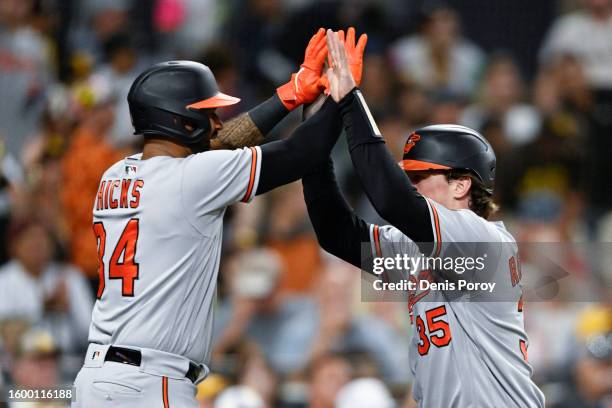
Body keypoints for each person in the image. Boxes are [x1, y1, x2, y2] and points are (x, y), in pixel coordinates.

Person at [72, 28, 366, 407]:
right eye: (207, 113)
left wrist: (289, 94)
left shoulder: (115, 175)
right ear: (179, 120)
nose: (215, 123)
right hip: (149, 383)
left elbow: (220, 144)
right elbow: (301, 153)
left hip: (98, 376)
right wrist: (343, 94)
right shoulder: (191, 179)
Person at [302, 29, 545, 407]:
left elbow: (390, 197)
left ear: (462, 184)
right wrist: (313, 143)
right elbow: (337, 234)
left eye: (419, 176)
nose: (409, 184)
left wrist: (350, 99)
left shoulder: (480, 241)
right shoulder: (417, 248)